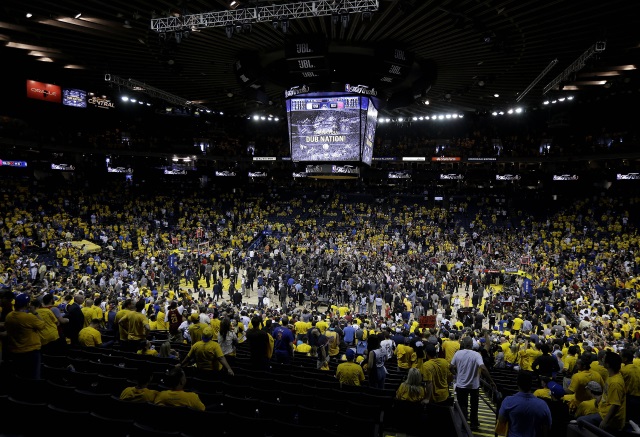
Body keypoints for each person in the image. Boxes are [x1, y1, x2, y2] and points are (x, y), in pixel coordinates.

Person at [450, 336, 498, 431]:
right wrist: (491, 381)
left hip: (461, 385)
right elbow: (483, 368)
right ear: (471, 345)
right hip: (474, 385)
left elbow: (451, 366)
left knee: (463, 405)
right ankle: (474, 423)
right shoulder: (476, 355)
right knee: (474, 405)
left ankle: (464, 423)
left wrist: (456, 374)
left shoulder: (458, 353)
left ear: (463, 344)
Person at [577, 351, 627, 431]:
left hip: (608, 416)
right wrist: (600, 398)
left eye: (603, 359)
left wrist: (605, 421)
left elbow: (615, 405)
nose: (601, 360)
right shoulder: (612, 375)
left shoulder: (615, 382)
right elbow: (608, 394)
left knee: (580, 421)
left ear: (608, 364)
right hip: (603, 408)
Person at [496, 370, 552, 437]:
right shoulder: (543, 405)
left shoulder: (508, 401)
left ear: (517, 383)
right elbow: (547, 427)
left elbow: (501, 420)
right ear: (531, 384)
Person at [4, 293, 45, 379]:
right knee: (33, 378)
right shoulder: (29, 318)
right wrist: (35, 312)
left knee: (20, 376)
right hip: (30, 351)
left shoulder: (9, 316)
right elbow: (42, 325)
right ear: (27, 305)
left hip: (15, 350)